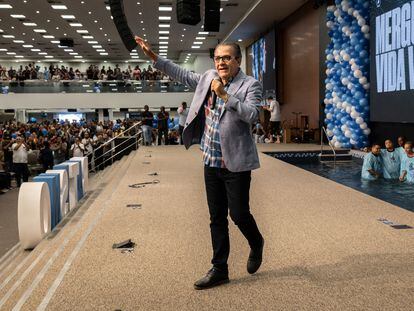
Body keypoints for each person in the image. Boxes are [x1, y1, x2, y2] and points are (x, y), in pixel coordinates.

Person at [136, 36, 264, 290]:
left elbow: (253, 115)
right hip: (211, 160)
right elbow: (181, 74)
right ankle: (219, 268)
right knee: (216, 217)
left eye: (226, 57)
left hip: (236, 163)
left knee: (238, 214)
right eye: (217, 58)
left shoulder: (251, 84)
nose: (221, 62)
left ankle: (256, 241)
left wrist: (225, 95)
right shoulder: (207, 78)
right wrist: (153, 57)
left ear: (238, 60)